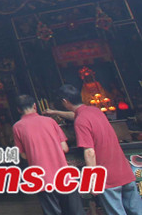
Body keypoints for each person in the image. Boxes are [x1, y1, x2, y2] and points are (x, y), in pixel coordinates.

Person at [48, 84, 142, 215]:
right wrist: (54, 113)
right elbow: (74, 115)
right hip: (124, 171)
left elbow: (89, 152)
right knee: (137, 211)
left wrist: (92, 180)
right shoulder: (94, 111)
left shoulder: (81, 121)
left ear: (64, 101)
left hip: (108, 177)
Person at [11, 94, 84, 215]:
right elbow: (64, 148)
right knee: (75, 211)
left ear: (18, 109)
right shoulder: (50, 121)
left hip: (42, 180)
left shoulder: (17, 127)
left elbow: (23, 155)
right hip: (64, 177)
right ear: (35, 106)